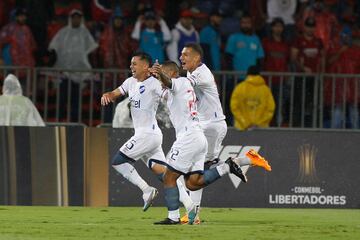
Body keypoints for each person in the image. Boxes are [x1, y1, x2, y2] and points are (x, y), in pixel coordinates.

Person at [150, 60, 271, 225]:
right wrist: (152, 76)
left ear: (172, 74)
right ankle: (238, 163)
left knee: (169, 175)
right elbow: (162, 90)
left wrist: (159, 75)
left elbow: (168, 84)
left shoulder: (181, 82)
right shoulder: (178, 87)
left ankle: (181, 214)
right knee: (195, 179)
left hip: (194, 134)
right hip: (201, 134)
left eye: (163, 73)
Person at [101, 52, 193, 213]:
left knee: (118, 162)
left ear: (145, 66)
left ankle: (146, 190)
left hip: (147, 135)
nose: (131, 67)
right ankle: (189, 204)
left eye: (134, 64)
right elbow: (116, 93)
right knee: (165, 176)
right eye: (131, 64)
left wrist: (162, 76)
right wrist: (108, 95)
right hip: (150, 136)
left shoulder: (154, 83)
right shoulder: (130, 82)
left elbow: (170, 94)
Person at [48, 9, 98, 122]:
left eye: (78, 18)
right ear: (71, 19)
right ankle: (58, 121)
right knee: (62, 98)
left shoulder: (85, 33)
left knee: (75, 100)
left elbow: (91, 49)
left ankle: (74, 122)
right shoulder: (63, 32)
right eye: (74, 17)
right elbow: (54, 48)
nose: (76, 20)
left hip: (79, 73)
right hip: (64, 73)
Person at [230, 66, 275, 130]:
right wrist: (260, 123)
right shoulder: (265, 90)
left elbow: (234, 107)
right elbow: (270, 109)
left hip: (242, 128)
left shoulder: (239, 88)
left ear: (247, 74)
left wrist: (244, 122)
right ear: (259, 75)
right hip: (261, 129)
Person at [225, 14, 264, 79]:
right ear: (240, 24)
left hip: (252, 77)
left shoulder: (256, 39)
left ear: (251, 24)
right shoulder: (233, 37)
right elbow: (228, 57)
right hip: (236, 76)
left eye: (248, 23)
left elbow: (260, 58)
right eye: (243, 23)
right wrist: (231, 73)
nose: (246, 25)